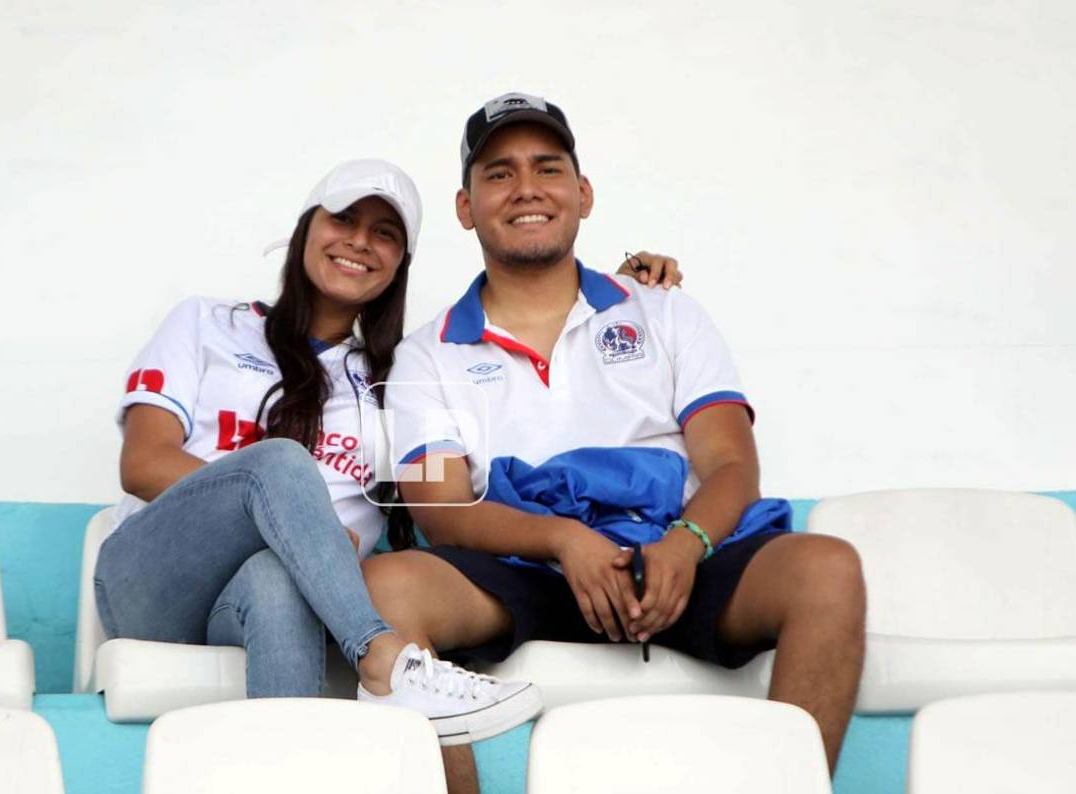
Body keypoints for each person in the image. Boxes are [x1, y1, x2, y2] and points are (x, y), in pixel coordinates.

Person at [93, 158, 683, 756]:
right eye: (343, 219)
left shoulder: (397, 384)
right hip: (154, 579)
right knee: (280, 464)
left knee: (276, 581)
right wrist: (305, 526)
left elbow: (473, 466)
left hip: (281, 595)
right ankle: (383, 662)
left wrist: (616, 298)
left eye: (384, 233)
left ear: (400, 263)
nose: (359, 242)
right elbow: (143, 464)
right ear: (307, 227)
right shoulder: (207, 324)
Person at [364, 93, 867, 774]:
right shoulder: (425, 355)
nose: (526, 189)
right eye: (499, 173)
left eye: (547, 168)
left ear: (584, 193)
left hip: (673, 553)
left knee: (827, 570)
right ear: (465, 207)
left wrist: (685, 544)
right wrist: (563, 539)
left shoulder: (666, 312)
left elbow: (731, 463)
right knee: (385, 590)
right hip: (527, 569)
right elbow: (440, 508)